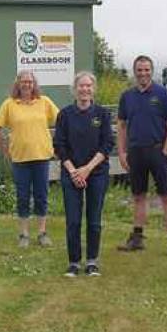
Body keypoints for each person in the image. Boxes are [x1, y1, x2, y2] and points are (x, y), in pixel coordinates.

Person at [116, 55, 167, 257]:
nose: (143, 73)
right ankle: (137, 239)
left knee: (166, 197)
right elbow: (121, 125)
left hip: (157, 151)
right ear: (134, 72)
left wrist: (166, 151)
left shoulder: (163, 94)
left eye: (146, 70)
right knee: (138, 196)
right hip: (135, 152)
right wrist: (121, 151)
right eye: (139, 70)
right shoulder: (127, 96)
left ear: (151, 71)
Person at [53, 71, 114, 277]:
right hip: (71, 173)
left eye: (88, 86)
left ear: (93, 89)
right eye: (81, 85)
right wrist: (74, 172)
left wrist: (87, 169)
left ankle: (91, 262)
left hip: (96, 173)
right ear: (75, 88)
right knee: (73, 220)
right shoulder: (64, 115)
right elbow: (59, 146)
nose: (85, 89)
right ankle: (73, 262)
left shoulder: (102, 115)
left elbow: (107, 144)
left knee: (94, 220)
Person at [0, 70, 60, 248]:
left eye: (30, 82)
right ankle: (24, 234)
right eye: (23, 82)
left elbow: (63, 120)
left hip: (42, 157)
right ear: (18, 84)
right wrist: (4, 151)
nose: (27, 85)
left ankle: (42, 232)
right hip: (20, 159)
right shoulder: (9, 104)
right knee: (22, 196)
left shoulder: (44, 102)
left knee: (41, 195)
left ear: (34, 84)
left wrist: (59, 146)